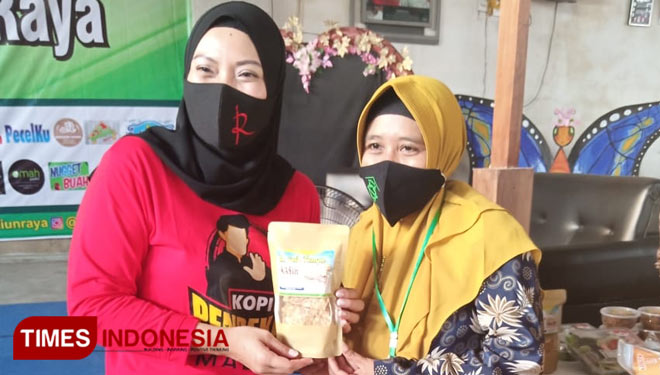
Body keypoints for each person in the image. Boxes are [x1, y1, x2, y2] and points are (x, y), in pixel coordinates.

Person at [67, 2, 362, 374]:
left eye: (246, 74)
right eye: (205, 69)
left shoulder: (297, 193)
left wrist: (328, 315)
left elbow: (295, 330)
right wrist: (219, 340)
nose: (224, 90)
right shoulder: (136, 168)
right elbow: (92, 313)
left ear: (272, 89)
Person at [334, 75, 544, 375]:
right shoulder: (363, 231)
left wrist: (389, 372)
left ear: (441, 152)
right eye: (375, 146)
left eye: (408, 148)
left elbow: (519, 364)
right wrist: (332, 333)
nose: (387, 163)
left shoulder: (489, 235)